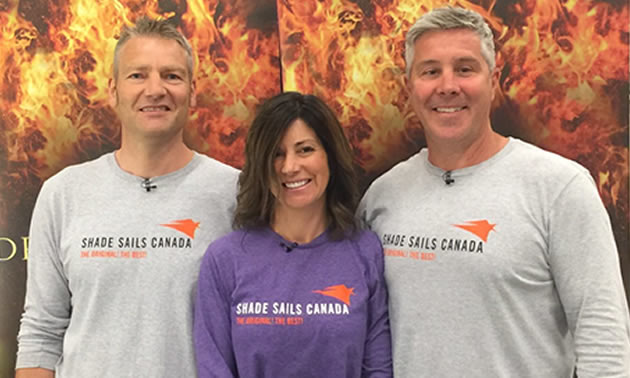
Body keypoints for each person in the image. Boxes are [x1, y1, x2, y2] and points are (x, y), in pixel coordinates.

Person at [358, 6, 630, 377]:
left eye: (465, 68)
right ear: (410, 85)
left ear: (494, 78)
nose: (448, 85)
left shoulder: (560, 188)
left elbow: (604, 340)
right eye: (430, 71)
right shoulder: (382, 197)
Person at [15, 17, 239, 377]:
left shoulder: (236, 194)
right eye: (138, 75)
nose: (155, 89)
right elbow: (42, 331)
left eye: (171, 76)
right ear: (113, 90)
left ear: (192, 92)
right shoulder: (62, 193)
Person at [193, 91, 392, 377]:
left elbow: (379, 368)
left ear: (330, 157)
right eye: (276, 154)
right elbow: (214, 369)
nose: (290, 167)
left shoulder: (364, 251)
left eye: (305, 149)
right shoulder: (225, 259)